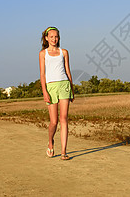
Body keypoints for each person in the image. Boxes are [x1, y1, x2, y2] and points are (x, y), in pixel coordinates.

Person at [39, 26, 74, 160]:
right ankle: (50, 141)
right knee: (54, 121)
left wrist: (72, 89)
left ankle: (64, 151)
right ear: (47, 38)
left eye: (56, 36)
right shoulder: (43, 53)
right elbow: (42, 74)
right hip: (51, 87)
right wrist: (44, 92)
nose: (54, 39)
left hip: (64, 85)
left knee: (63, 118)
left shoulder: (64, 52)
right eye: (52, 37)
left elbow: (68, 71)